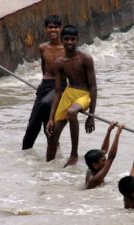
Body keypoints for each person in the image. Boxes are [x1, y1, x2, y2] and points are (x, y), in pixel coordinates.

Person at [46, 25, 97, 167]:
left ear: (78, 40)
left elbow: (93, 87)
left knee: (71, 112)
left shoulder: (85, 58)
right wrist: (51, 118)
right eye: (67, 39)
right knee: (52, 135)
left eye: (73, 39)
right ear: (62, 40)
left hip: (84, 94)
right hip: (69, 93)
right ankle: (47, 168)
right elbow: (58, 92)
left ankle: (73, 154)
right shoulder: (59, 63)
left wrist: (91, 116)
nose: (70, 42)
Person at [22, 15, 66, 150]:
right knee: (32, 124)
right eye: (50, 27)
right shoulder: (43, 47)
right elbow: (44, 67)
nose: (53, 30)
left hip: (60, 86)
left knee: (47, 111)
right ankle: (25, 154)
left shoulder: (66, 48)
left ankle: (54, 150)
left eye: (56, 27)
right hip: (45, 85)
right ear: (46, 29)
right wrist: (42, 85)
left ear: (60, 29)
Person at [85, 122, 124, 189]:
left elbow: (103, 151)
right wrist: (117, 134)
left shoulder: (90, 168)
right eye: (103, 160)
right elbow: (111, 157)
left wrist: (109, 131)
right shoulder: (95, 178)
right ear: (95, 165)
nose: (106, 162)